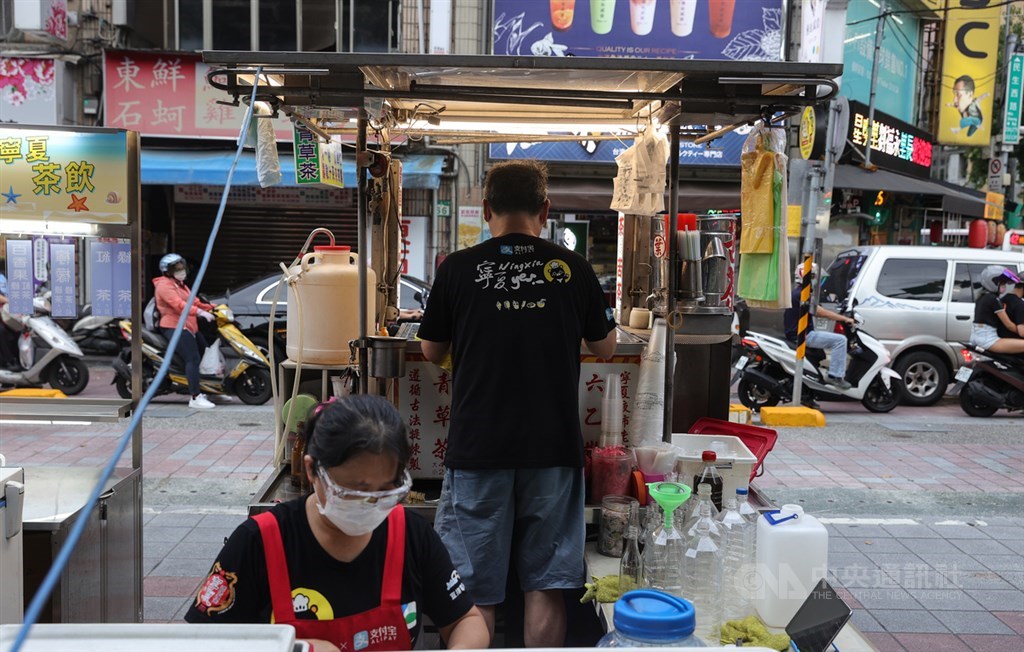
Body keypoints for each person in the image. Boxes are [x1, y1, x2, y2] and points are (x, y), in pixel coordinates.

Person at [417, 160, 617, 646]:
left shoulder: (458, 268)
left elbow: (430, 350)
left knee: (476, 590)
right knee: (545, 585)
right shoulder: (572, 268)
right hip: (552, 448)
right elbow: (606, 348)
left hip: (479, 446)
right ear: (545, 209)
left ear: (486, 208)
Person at [185, 394, 489, 651]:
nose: (370, 504)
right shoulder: (259, 541)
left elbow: (466, 621)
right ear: (312, 471)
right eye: (353, 491)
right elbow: (200, 642)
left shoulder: (411, 534)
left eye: (386, 491)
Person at [153, 253, 217, 409]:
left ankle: (199, 386)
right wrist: (200, 313)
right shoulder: (164, 286)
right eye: (177, 269)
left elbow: (193, 301)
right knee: (193, 358)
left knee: (204, 349)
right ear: (167, 271)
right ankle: (195, 397)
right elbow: (179, 305)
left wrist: (212, 307)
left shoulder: (181, 284)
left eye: (183, 268)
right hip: (174, 326)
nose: (182, 271)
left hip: (189, 326)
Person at [783, 264, 856, 390]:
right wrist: (844, 319)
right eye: (815, 276)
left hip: (799, 333)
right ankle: (836, 376)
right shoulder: (802, 294)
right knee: (840, 340)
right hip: (804, 335)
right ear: (808, 276)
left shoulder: (798, 293)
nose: (817, 280)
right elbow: (820, 312)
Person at [971, 266, 1024, 354]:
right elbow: (1009, 325)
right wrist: (1020, 332)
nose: (1004, 286)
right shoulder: (994, 299)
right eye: (1002, 283)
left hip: (977, 335)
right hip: (988, 338)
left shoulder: (982, 297)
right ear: (993, 283)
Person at [0, 255, 19, 370]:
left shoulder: (4, 276)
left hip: (8, 313)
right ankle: (8, 362)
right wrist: (9, 300)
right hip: (3, 314)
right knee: (2, 332)